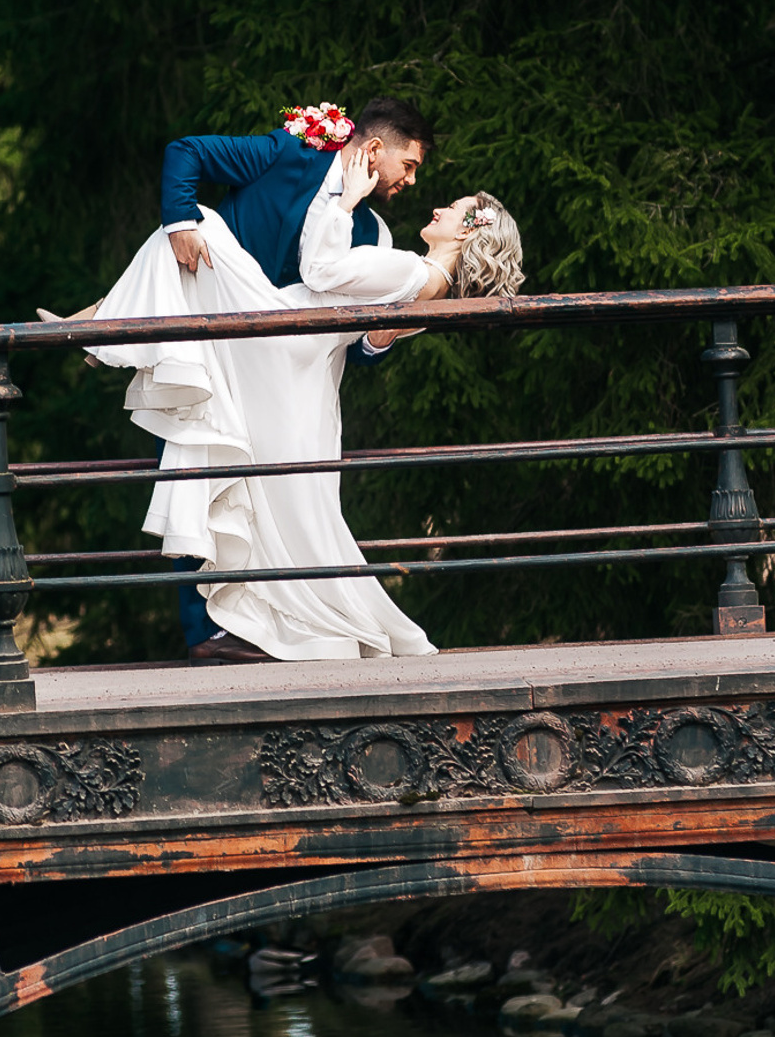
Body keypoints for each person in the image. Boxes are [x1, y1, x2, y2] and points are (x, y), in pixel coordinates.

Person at [87, 137, 525, 664]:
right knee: (190, 241)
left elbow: (319, 269)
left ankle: (101, 325)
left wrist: (345, 201)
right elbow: (369, 328)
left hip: (285, 338)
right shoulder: (430, 282)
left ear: (470, 229)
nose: (436, 207)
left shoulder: (413, 270)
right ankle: (103, 319)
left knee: (194, 223)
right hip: (300, 353)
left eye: (452, 209)